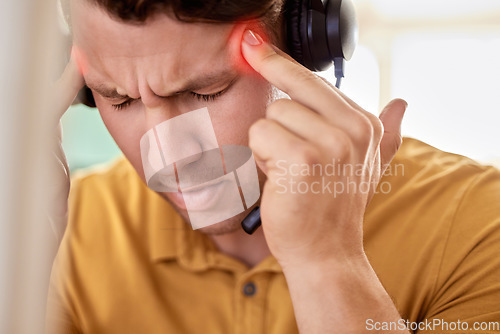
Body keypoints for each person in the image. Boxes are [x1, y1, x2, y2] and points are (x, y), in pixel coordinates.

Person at [46, 0, 500, 333]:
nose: (169, 157)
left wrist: (328, 262)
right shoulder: (70, 235)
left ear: (305, 49)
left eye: (207, 92)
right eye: (118, 98)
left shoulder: (479, 224)